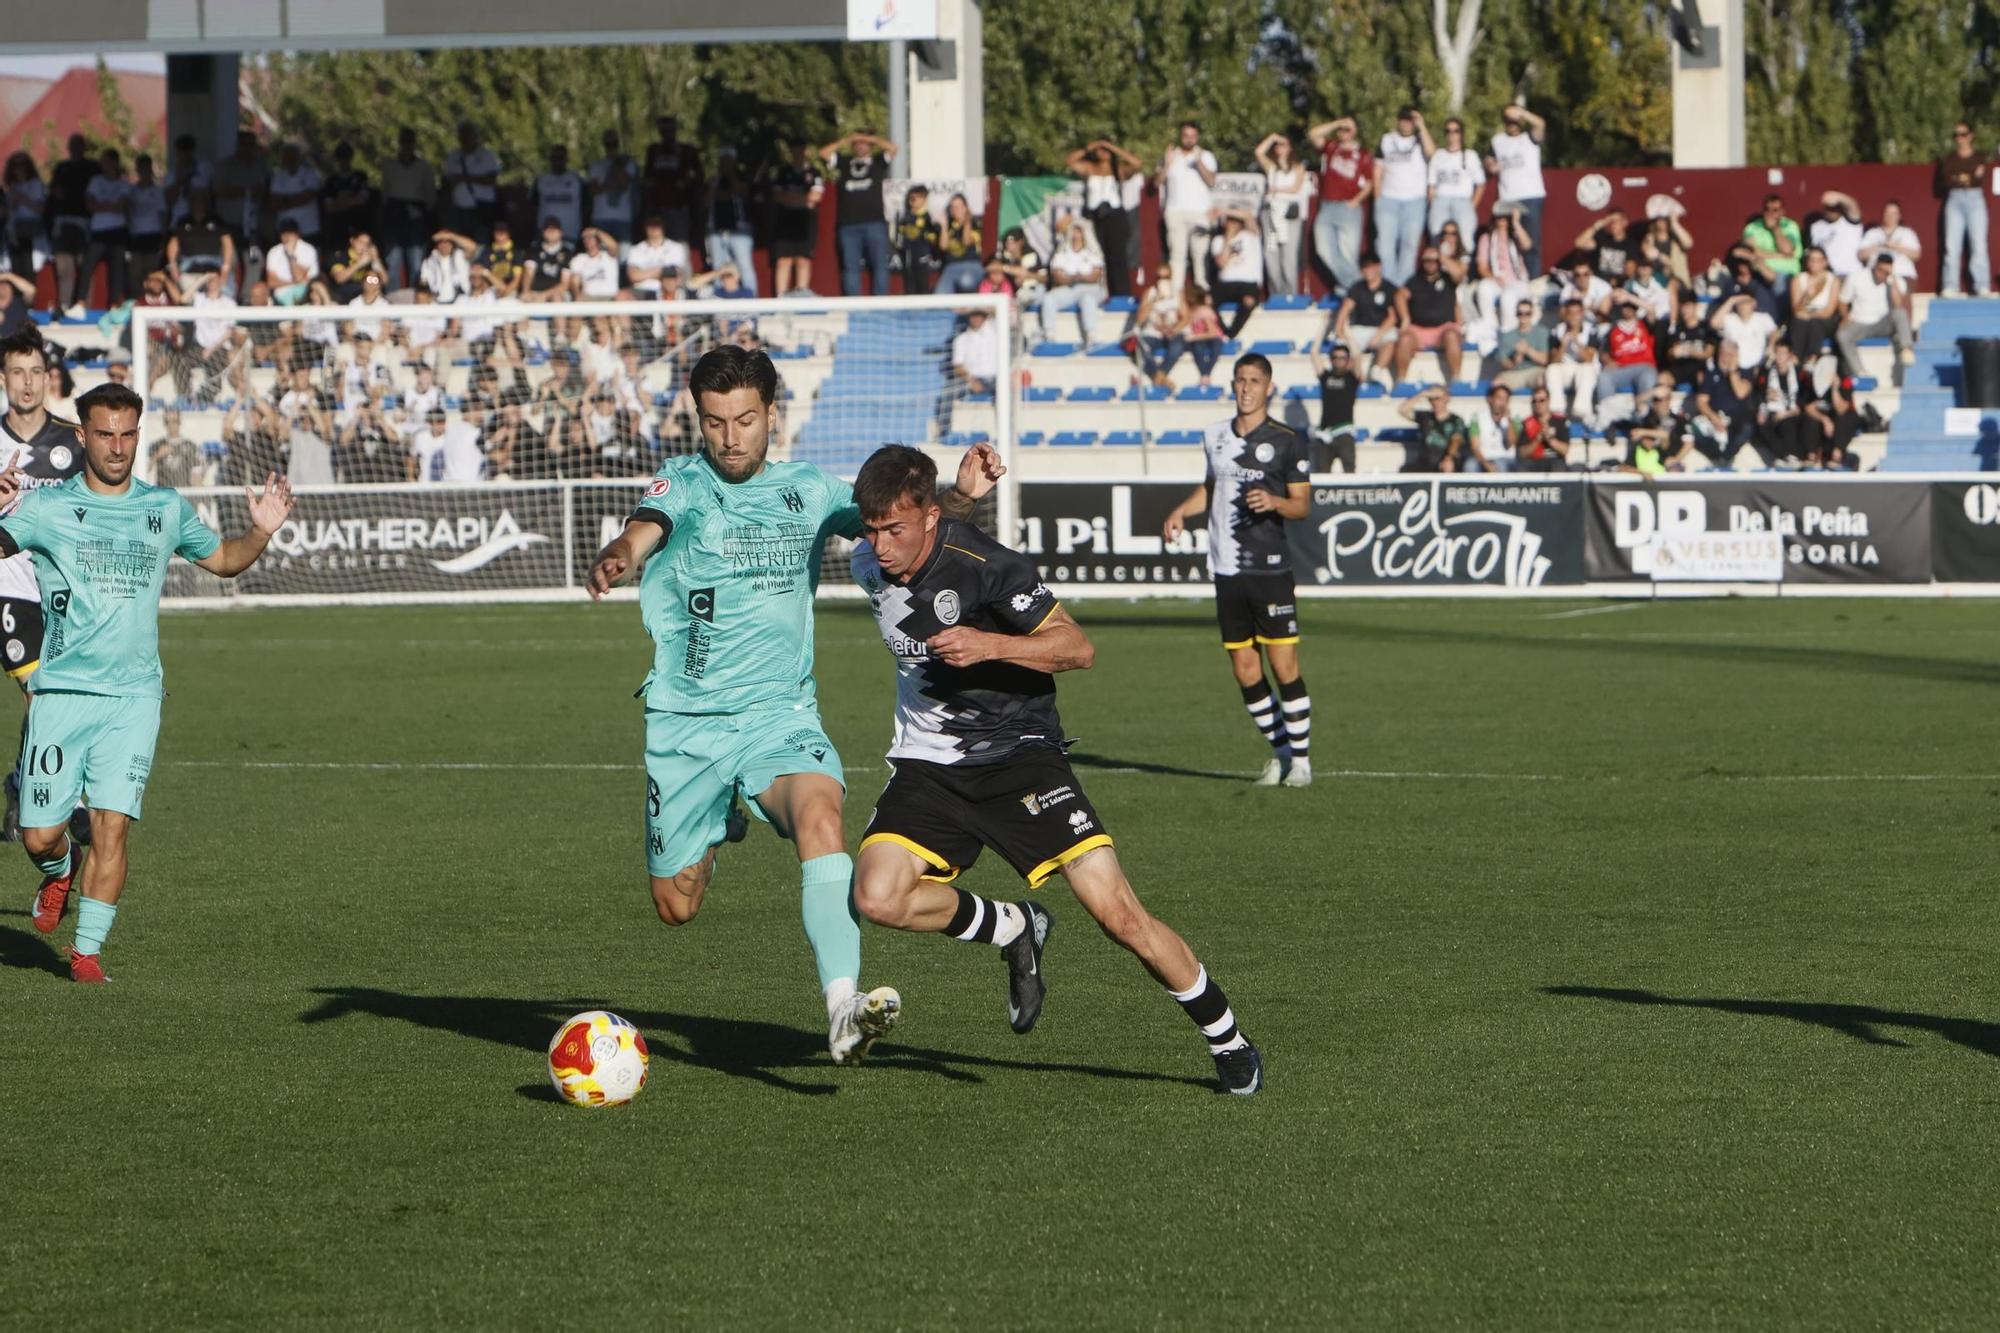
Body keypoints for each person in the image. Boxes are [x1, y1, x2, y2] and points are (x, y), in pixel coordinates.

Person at [583, 346, 991, 1065]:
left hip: (780, 717)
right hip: (687, 726)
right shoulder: (682, 480)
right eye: (714, 423)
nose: (730, 437)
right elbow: (643, 524)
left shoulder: (808, 490)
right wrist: (623, 553)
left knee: (822, 817)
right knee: (676, 905)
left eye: (744, 419)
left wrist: (959, 496)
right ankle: (718, 820)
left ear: (772, 413)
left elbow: (894, 520)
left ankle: (842, 1007)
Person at [848, 445, 1263, 1096]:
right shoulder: (868, 560)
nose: (880, 546)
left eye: (893, 530)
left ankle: (1226, 1035)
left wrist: (991, 644)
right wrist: (954, 495)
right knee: (875, 896)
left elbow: (1078, 646)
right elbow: (912, 525)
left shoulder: (991, 567)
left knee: (1120, 917)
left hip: (1020, 755)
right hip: (930, 762)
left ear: (929, 517)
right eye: (870, 530)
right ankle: (1015, 926)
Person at [0, 382, 293, 983]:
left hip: (134, 698)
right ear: (81, 436)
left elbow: (226, 559)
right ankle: (59, 873)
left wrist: (260, 531)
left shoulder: (164, 508)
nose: (116, 446)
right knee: (38, 836)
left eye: (127, 434)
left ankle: (86, 956)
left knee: (113, 825)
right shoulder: (47, 507)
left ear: (140, 434)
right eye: (104, 434)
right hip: (60, 695)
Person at [1160, 353, 1313, 788]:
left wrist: (1276, 502)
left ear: (1269, 388)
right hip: (1225, 569)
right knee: (1244, 669)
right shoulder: (1214, 435)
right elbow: (1210, 489)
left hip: (1269, 569)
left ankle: (1301, 761)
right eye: (1240, 380)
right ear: (1232, 385)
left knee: (1284, 665)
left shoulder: (1286, 440)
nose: (1246, 388)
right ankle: (1281, 754)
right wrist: (1180, 512)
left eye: (1255, 381)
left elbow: (1302, 504)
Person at [0, 330, 86, 842]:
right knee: (42, 694)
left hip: (60, 588)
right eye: (17, 372)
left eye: (35, 371)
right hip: (7, 585)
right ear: (3, 378)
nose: (27, 382)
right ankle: (70, 802)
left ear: (47, 378)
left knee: (59, 695)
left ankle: (18, 779)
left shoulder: (73, 441)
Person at [821, 131, 897, 297]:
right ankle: (854, 307)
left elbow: (893, 149)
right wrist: (846, 140)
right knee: (851, 267)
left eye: (864, 143)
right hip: (848, 224)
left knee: (879, 265)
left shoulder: (878, 161)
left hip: (875, 222)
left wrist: (871, 138)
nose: (861, 145)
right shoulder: (845, 162)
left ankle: (880, 304)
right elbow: (824, 153)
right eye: (858, 143)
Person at [1067, 139, 1143, 299]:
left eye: (1106, 150)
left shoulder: (1118, 170)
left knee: (1117, 258)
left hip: (1114, 216)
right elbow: (1070, 161)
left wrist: (1113, 147)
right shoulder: (1089, 168)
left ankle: (1121, 296)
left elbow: (1137, 163)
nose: (1103, 152)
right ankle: (1101, 294)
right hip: (1096, 216)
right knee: (1098, 255)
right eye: (1100, 150)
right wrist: (1090, 146)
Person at [1307, 115, 1371, 292]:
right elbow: (1313, 134)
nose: (1344, 132)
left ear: (1355, 131)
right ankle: (1358, 287)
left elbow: (1370, 183)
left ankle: (1347, 292)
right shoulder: (1331, 147)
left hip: (1349, 208)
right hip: (1327, 206)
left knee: (1348, 255)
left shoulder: (1363, 154)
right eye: (1342, 129)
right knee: (1323, 250)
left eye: (1348, 129)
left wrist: (1356, 200)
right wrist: (1337, 122)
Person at [1155, 121, 1218, 295]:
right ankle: (1175, 295)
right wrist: (1167, 164)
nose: (1189, 140)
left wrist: (1199, 164)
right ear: (1180, 137)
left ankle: (1202, 293)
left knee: (1200, 255)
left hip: (1200, 212)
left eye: (1192, 136)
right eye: (1185, 136)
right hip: (1175, 212)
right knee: (1177, 256)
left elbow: (1212, 181)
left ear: (1197, 137)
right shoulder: (1171, 156)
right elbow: (1157, 182)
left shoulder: (1206, 156)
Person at [1373, 106, 1432, 287]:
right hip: (1389, 199)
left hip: (1414, 200)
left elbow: (1432, 154)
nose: (1406, 123)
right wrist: (1377, 198)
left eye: (1410, 120)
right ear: (1398, 120)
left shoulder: (1420, 140)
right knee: (1384, 245)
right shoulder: (1387, 139)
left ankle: (1403, 286)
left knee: (1409, 245)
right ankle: (1390, 285)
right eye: (1404, 119)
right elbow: (1377, 169)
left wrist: (1421, 126)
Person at [1835, 250, 1915, 377]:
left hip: (1883, 323)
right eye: (1880, 270)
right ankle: (1860, 372)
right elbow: (1843, 301)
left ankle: (1906, 348)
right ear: (1875, 266)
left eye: (1886, 271)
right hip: (1860, 322)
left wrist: (1891, 280)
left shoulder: (1895, 281)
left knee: (1900, 314)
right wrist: (1845, 317)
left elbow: (1898, 304)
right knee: (1842, 335)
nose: (1881, 274)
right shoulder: (1857, 277)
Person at [1937, 121, 1993, 298]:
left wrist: (1961, 178)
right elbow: (1947, 180)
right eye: (1956, 135)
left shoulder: (1980, 157)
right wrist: (1967, 177)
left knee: (1979, 244)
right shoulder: (1949, 159)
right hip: (1954, 200)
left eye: (1962, 134)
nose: (1959, 138)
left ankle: (1981, 285)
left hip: (1975, 199)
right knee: (1952, 246)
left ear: (1970, 136)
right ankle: (1950, 286)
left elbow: (1979, 179)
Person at [1391, 247, 1463, 385]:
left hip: (1443, 329)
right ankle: (1400, 381)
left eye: (1434, 260)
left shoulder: (1448, 278)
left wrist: (1442, 256)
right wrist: (1405, 318)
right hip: (1419, 330)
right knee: (1404, 339)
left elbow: (1459, 274)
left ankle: (1456, 379)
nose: (1430, 263)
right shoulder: (1415, 280)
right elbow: (1400, 295)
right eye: (1426, 260)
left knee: (1452, 336)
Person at [1486, 106, 1548, 262]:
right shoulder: (1497, 140)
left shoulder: (1529, 137)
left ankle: (1532, 281)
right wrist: (1490, 165)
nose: (1512, 123)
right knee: (1509, 242)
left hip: (1531, 196)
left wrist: (1522, 112)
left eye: (1515, 120)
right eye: (1508, 120)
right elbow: (1488, 159)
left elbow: (1540, 124)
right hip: (1508, 198)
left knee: (1531, 242)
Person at [377, 127, 436, 291]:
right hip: (395, 216)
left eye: (409, 142)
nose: (407, 145)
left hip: (416, 217)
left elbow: (430, 196)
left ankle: (416, 299)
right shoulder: (390, 166)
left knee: (416, 264)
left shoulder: (424, 167)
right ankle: (394, 300)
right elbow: (385, 193)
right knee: (393, 263)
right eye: (404, 142)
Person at [1253, 133, 1310, 297]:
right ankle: (1276, 294)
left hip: (1288, 213)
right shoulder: (1271, 167)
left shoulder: (1298, 167)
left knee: (1288, 258)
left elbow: (1295, 188)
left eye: (1284, 145)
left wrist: (1277, 190)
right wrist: (1272, 137)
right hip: (1271, 212)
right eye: (1278, 145)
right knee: (1271, 256)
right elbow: (1258, 152)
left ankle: (1291, 294)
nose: (1280, 148)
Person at [1333, 251, 1400, 385]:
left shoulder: (1389, 288)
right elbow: (1345, 309)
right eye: (1364, 267)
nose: (1368, 270)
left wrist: (1378, 336)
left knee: (1391, 341)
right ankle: (1355, 377)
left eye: (1370, 266)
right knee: (1345, 346)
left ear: (1378, 267)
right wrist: (1338, 329)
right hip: (1361, 329)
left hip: (1382, 329)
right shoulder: (1357, 287)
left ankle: (1377, 370)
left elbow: (1393, 317)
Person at [1687, 340, 1758, 467]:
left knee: (1746, 428)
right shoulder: (1711, 374)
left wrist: (1732, 373)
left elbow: (1740, 393)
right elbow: (1701, 401)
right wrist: (1713, 416)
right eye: (1724, 354)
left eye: (1730, 355)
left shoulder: (1745, 373)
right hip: (1715, 417)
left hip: (1738, 418)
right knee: (1695, 426)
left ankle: (1726, 458)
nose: (1725, 358)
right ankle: (1716, 457)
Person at [767, 143, 824, 298]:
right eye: (795, 149)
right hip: (785, 222)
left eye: (801, 149)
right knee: (783, 261)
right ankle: (780, 299)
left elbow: (816, 197)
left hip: (805, 222)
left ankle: (801, 298)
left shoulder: (814, 173)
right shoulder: (783, 172)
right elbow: (778, 196)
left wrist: (792, 199)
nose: (799, 153)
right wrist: (804, 200)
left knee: (803, 260)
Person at [79, 149, 133, 314]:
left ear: (115, 163)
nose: (104, 166)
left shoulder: (123, 183)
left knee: (116, 269)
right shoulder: (96, 181)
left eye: (107, 162)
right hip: (98, 230)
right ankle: (80, 301)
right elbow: (90, 206)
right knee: (87, 265)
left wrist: (101, 205)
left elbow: (122, 207)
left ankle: (114, 305)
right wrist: (110, 206)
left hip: (117, 231)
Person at [1042, 222, 1106, 345]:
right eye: (1074, 231)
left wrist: (1076, 277)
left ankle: (1091, 334)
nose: (1076, 235)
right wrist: (1077, 278)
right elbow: (1058, 276)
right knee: (1049, 298)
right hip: (1069, 288)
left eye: (1079, 231)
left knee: (1087, 299)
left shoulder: (1093, 252)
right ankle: (1049, 333)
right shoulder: (1062, 253)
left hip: (1091, 288)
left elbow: (1095, 276)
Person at [1427, 117, 1486, 246]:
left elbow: (1480, 184)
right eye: (1448, 131)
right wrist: (1433, 204)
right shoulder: (1438, 155)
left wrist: (1472, 205)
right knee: (1437, 237)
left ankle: (1463, 265)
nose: (1452, 134)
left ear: (1461, 133)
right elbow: (1431, 185)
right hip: (1441, 200)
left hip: (1463, 200)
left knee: (1466, 240)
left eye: (1456, 131)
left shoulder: (1470, 155)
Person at [1208, 209, 1264, 339]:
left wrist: (1224, 211)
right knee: (1207, 301)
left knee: (1249, 301)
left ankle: (1231, 334)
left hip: (1248, 282)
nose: (1232, 224)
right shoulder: (1218, 240)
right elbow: (1221, 263)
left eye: (1236, 221)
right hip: (1225, 283)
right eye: (1229, 220)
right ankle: (1223, 331)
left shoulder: (1251, 236)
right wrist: (1228, 238)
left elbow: (1247, 215)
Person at [1307, 339, 1361, 471]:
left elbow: (1358, 354)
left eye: (1343, 357)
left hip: (1345, 432)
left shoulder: (1352, 378)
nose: (1339, 360)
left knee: (1350, 476)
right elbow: (1314, 352)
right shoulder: (1326, 376)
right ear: (1331, 359)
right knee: (1321, 476)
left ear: (1348, 360)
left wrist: (1345, 327)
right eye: (1335, 357)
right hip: (1325, 433)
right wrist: (1324, 325)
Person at [1545, 298, 1601, 424]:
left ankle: (1581, 410)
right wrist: (1564, 345)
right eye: (1570, 313)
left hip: (1585, 370)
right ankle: (1557, 409)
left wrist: (1576, 341)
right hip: (1566, 370)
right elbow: (1554, 360)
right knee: (1551, 370)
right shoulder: (1556, 331)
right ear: (1566, 314)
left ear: (1582, 314)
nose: (1573, 317)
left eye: (1577, 313)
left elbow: (1589, 358)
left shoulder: (1591, 330)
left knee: (1587, 369)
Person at [1396, 384, 1473, 472]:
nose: (1435, 402)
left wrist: (1449, 458)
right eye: (1431, 399)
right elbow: (1402, 410)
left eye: (1438, 399)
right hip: (1425, 462)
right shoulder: (1425, 417)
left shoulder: (1456, 420)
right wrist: (1423, 394)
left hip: (1444, 461)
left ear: (1447, 398)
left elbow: (1456, 440)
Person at [1740, 194, 1802, 297]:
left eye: (1775, 210)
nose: (1770, 213)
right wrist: (1779, 256)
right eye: (1767, 209)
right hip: (1760, 273)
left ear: (1782, 212)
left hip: (1786, 273)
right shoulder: (1753, 227)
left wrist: (1775, 228)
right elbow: (1750, 251)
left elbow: (1787, 249)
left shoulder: (1790, 226)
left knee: (1781, 281)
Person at [1787, 245, 1840, 360]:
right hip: (1804, 314)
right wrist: (1808, 296)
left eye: (1818, 260)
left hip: (1823, 317)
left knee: (1815, 323)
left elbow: (1829, 311)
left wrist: (1810, 315)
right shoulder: (1798, 279)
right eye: (1812, 260)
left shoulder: (1833, 280)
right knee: (1798, 321)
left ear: (1825, 262)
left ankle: (1812, 357)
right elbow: (1796, 309)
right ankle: (1796, 357)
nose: (1815, 263)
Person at [1488, 298, 1550, 392]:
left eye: (1527, 313)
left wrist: (1528, 350)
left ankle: (1539, 405)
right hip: (1514, 373)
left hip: (1535, 370)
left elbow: (1545, 360)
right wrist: (1515, 359)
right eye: (1520, 313)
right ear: (1516, 314)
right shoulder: (1506, 336)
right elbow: (1504, 365)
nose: (1524, 316)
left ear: (1532, 314)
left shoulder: (1542, 333)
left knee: (1543, 380)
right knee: (1496, 385)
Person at [891, 185, 942, 296]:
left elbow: (935, 236)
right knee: (909, 286)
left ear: (924, 199)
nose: (913, 200)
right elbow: (896, 237)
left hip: (923, 255)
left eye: (917, 197)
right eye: (911, 198)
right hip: (908, 256)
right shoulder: (904, 216)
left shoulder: (929, 216)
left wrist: (926, 235)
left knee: (922, 285)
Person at [534, 145, 585, 243]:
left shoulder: (577, 180)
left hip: (571, 233)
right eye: (554, 158)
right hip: (547, 235)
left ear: (566, 159)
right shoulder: (541, 180)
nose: (557, 161)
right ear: (550, 160)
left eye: (561, 158)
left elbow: (586, 206)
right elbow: (533, 207)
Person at [935, 193, 984, 295]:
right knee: (940, 295)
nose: (955, 209)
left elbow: (967, 242)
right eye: (953, 207)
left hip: (971, 264)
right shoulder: (949, 226)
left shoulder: (974, 223)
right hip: (951, 266)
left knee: (966, 282)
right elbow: (943, 247)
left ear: (966, 208)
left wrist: (967, 221)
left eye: (959, 206)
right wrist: (944, 226)